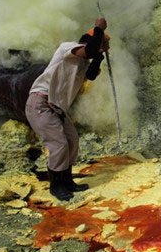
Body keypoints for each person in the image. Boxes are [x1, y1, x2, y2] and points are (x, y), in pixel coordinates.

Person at [25, 17, 110, 201]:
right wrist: (99, 28)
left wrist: (100, 56)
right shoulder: (67, 48)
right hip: (41, 103)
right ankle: (56, 186)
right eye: (99, 45)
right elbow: (91, 49)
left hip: (57, 108)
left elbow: (92, 75)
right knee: (59, 144)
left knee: (72, 141)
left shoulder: (83, 64)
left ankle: (67, 180)